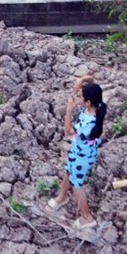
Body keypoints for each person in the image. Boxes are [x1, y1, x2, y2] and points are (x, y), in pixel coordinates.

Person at [48, 76, 107, 229]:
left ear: (87, 102)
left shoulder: (88, 122)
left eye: (80, 96)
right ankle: (61, 197)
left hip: (84, 155)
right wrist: (80, 82)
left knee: (77, 184)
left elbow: (68, 131)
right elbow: (91, 81)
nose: (77, 98)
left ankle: (87, 217)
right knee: (68, 170)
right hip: (79, 149)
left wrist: (69, 110)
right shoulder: (97, 104)